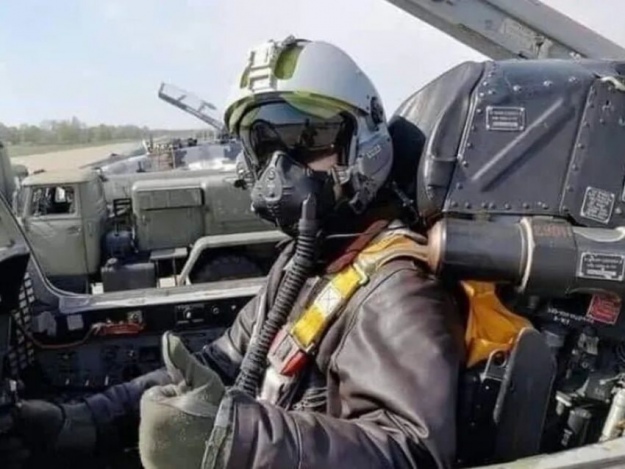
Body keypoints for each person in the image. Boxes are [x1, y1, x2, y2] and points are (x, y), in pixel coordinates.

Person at [0, 36, 465, 469]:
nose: (279, 169)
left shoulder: (398, 291)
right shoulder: (309, 262)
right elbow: (220, 364)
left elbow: (411, 452)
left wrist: (234, 439)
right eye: (262, 144)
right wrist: (85, 421)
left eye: (307, 139)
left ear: (364, 144)